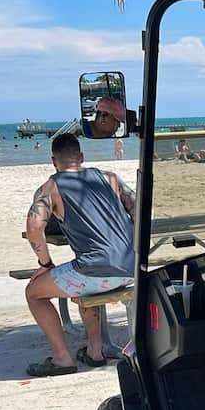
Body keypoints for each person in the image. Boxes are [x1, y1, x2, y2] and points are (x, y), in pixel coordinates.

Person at [24, 133, 134, 377]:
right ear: (81, 157)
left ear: (54, 162)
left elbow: (33, 227)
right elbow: (139, 210)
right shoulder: (110, 178)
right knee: (83, 281)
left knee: (33, 293)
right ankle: (95, 352)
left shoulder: (51, 186)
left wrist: (45, 263)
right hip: (131, 268)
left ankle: (62, 359)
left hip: (95, 271)